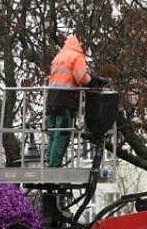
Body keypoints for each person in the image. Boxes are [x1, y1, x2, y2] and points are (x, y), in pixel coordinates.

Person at [45, 35, 106, 167]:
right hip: (65, 101)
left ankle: (49, 163)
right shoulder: (76, 56)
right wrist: (96, 80)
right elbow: (81, 78)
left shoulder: (59, 56)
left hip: (51, 99)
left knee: (53, 134)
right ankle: (54, 166)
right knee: (61, 134)